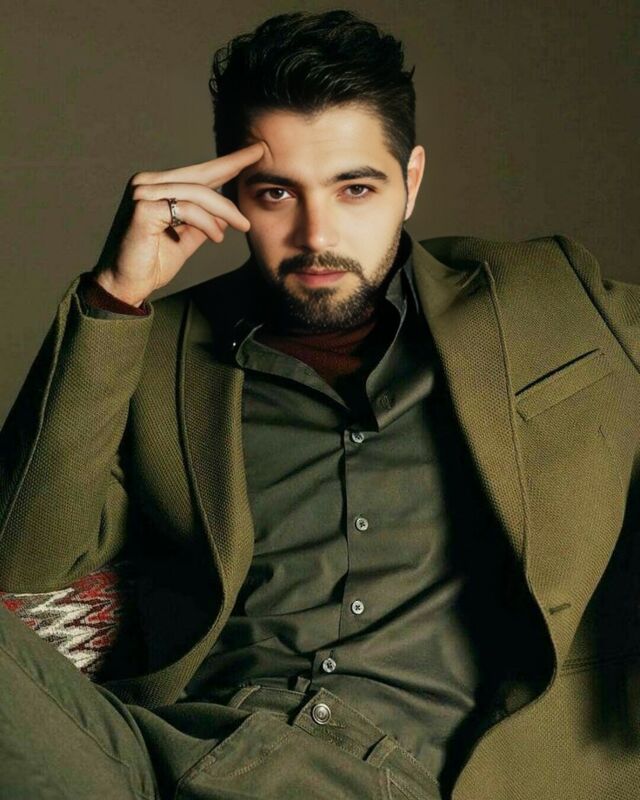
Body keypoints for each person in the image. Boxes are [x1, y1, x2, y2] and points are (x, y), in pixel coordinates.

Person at [0, 9, 638, 800]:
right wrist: (115, 296)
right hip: (172, 760)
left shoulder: (547, 295)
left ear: (410, 183)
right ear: (232, 195)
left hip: (420, 777)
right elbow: (25, 561)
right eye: (276, 194)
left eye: (355, 188)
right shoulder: (156, 349)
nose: (316, 234)